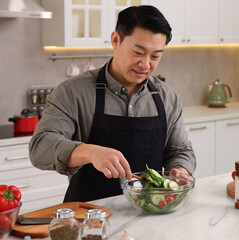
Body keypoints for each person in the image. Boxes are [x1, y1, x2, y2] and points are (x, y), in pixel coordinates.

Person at [29, 5, 196, 202]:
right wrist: (89, 151)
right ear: (116, 40)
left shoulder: (168, 97)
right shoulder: (72, 92)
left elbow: (180, 150)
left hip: (150, 214)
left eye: (155, 56)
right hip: (89, 217)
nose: (145, 64)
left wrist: (180, 171)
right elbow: (40, 148)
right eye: (138, 52)